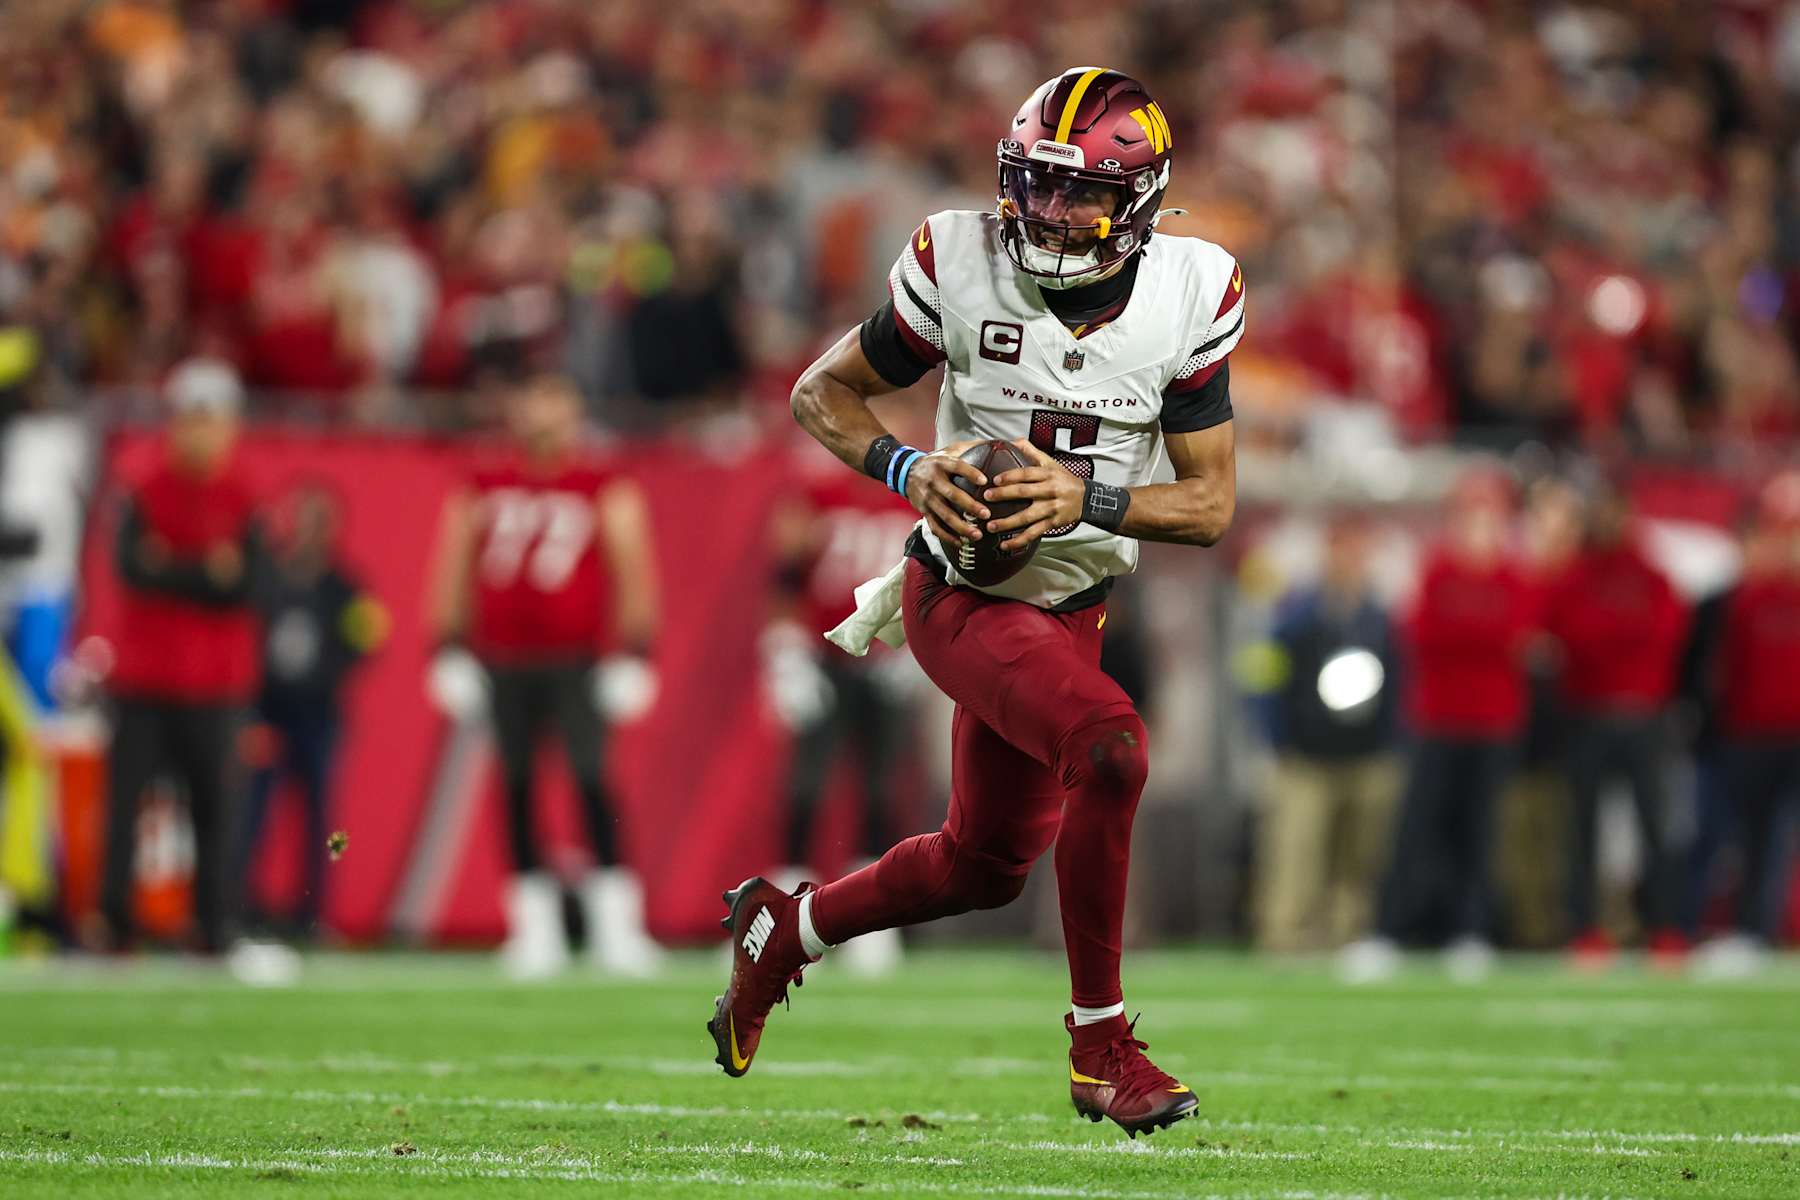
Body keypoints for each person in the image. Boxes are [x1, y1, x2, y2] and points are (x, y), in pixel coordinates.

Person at [708, 68, 1241, 1139]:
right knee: (1110, 748)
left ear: (1138, 200)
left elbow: (1211, 505)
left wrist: (1084, 495)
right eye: (1035, 187)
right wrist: (908, 469)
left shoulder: (1193, 291)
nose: (1048, 213)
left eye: (1079, 194)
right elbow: (821, 392)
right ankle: (1103, 1049)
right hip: (961, 588)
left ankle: (786, 929)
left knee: (983, 865)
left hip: (1076, 605)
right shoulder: (958, 260)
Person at [426, 374, 661, 977]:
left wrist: (637, 650)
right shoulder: (483, 480)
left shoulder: (599, 482)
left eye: (556, 404)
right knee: (517, 784)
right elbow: (453, 560)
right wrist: (445, 644)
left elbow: (632, 565)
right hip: (503, 659)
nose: (545, 417)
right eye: (535, 402)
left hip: (575, 659)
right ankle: (533, 928)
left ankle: (617, 925)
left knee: (590, 781)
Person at [1343, 470, 1537, 984]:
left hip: (1493, 723)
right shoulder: (1437, 571)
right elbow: (1425, 636)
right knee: (1414, 831)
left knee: (1480, 832)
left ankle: (1471, 934)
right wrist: (1481, 641)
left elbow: (1515, 639)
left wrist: (1472, 639)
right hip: (1436, 721)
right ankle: (1388, 933)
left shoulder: (1514, 578)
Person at [97, 358, 262, 955]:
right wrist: (207, 572)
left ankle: (215, 928)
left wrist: (173, 566)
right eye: (192, 418)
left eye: (212, 419)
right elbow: (131, 570)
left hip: (217, 681)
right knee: (125, 809)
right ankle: (115, 926)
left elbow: (251, 585)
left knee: (217, 812)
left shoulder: (246, 489)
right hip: (144, 675)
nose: (201, 431)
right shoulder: (142, 479)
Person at [761, 440, 923, 975]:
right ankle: (778, 913)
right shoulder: (817, 494)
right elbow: (785, 571)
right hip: (824, 655)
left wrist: (923, 649)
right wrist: (785, 649)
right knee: (805, 785)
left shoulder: (917, 496)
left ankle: (870, 922)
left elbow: (941, 577)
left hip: (886, 658)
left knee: (879, 787)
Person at [1541, 483, 1688, 964]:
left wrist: (1604, 637)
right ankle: (1586, 929)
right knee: (1583, 830)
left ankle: (1665, 927)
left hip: (1643, 717)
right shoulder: (1574, 576)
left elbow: (1665, 636)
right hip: (1587, 716)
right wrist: (1617, 637)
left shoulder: (1652, 575)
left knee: (1656, 828)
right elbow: (1567, 635)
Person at [234, 484, 386, 941]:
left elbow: (366, 640)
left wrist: (327, 675)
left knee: (325, 823)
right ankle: (243, 908)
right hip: (267, 711)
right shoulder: (267, 575)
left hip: (319, 715)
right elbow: (244, 633)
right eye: (305, 517)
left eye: (322, 520)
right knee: (253, 813)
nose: (311, 529)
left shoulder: (345, 585)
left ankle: (314, 911)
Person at [1252, 512, 1401, 953]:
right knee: (1297, 854)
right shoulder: (1295, 616)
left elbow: (1402, 683)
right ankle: (1287, 937)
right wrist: (1277, 737)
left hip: (1367, 756)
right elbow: (1264, 675)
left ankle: (1350, 936)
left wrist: (1394, 742)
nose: (1351, 559)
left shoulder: (1380, 619)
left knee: (1359, 858)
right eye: (1343, 548)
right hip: (1306, 757)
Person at [1691, 474, 1800, 977]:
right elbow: (1721, 670)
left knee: (1773, 838)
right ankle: (1751, 931)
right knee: (1751, 839)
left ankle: (1759, 929)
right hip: (1750, 735)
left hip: (1785, 735)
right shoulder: (1743, 600)